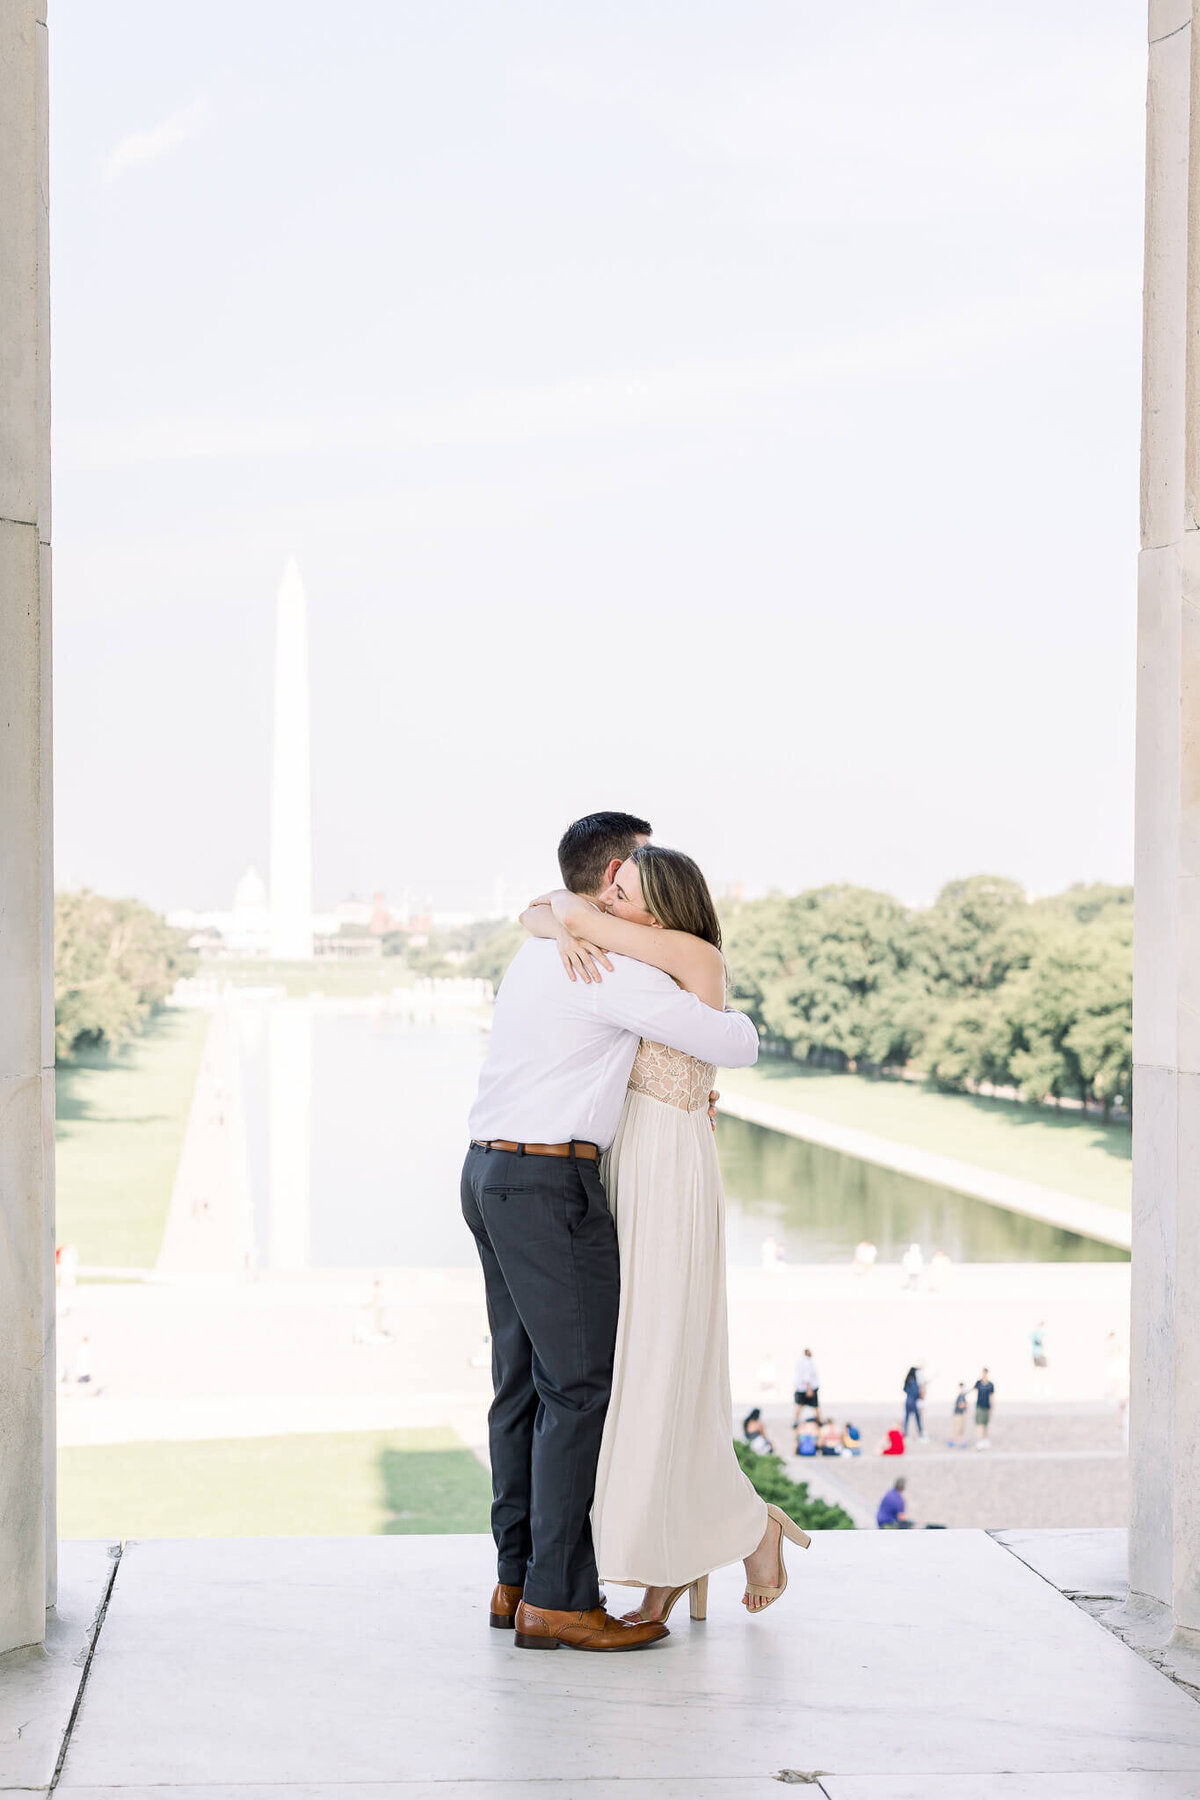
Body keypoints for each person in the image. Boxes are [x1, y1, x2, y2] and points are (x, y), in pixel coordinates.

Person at [462, 812, 762, 1652]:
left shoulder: (545, 945)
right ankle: (559, 1600)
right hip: (546, 1182)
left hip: (487, 1172)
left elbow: (542, 909)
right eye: (627, 883)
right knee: (580, 1388)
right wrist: (586, 924)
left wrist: (566, 916)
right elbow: (734, 1041)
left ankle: (515, 1579)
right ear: (615, 884)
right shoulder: (606, 967)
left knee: (519, 1386)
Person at [522, 837, 811, 1625]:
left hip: (669, 1162)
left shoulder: (685, 951)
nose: (609, 902)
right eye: (609, 893)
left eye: (625, 891)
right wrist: (565, 922)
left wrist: (570, 922)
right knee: (637, 1360)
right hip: (629, 1157)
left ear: (664, 904)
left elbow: (550, 909)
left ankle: (743, 1528)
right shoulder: (640, 952)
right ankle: (692, 1547)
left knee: (662, 1353)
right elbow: (541, 911)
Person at [793, 1348, 820, 1424]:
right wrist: (809, 1388)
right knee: (814, 1405)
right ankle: (819, 1420)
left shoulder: (801, 1362)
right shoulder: (807, 1363)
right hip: (808, 1388)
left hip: (802, 1388)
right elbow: (806, 1376)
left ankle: (796, 1420)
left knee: (800, 1405)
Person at [973, 1367, 995, 1448]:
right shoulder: (978, 1383)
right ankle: (980, 1440)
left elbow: (992, 1396)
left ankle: (985, 1440)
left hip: (987, 1407)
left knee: (985, 1425)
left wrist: (992, 1408)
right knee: (980, 1425)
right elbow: (973, 1391)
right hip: (979, 1406)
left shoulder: (990, 1385)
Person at [902, 1365, 924, 1441]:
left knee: (907, 1418)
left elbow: (904, 1389)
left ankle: (905, 1433)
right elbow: (915, 1392)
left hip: (907, 1401)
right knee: (917, 1418)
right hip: (913, 1402)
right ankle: (920, 1432)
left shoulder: (907, 1380)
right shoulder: (913, 1381)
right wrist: (919, 1394)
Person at [949, 1381, 969, 1447]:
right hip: (958, 1414)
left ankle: (960, 1442)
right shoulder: (960, 1396)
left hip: (961, 1414)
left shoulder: (962, 1396)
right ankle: (953, 1442)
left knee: (960, 1429)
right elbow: (961, 1405)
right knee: (957, 1429)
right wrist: (966, 1405)